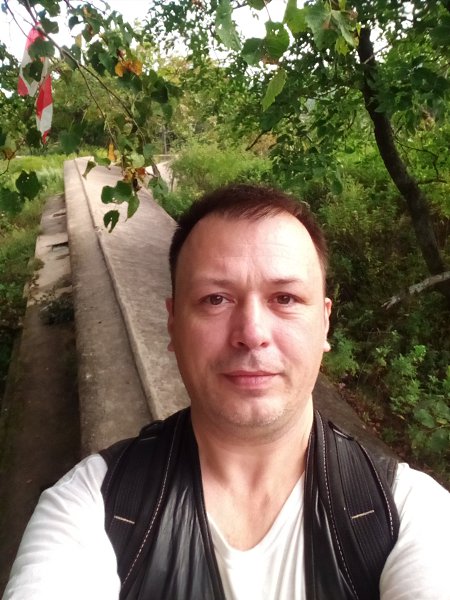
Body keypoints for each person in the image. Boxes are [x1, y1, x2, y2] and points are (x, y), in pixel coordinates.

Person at [3, 184, 450, 600]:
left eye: (285, 298)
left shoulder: (409, 515)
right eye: (216, 299)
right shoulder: (90, 506)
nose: (252, 334)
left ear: (324, 323)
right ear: (173, 324)